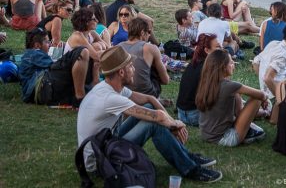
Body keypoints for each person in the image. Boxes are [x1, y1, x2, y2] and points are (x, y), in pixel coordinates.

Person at [77, 45, 222, 183]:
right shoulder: (110, 98)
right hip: (99, 162)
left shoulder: (111, 86)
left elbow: (149, 99)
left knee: (150, 109)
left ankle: (186, 156)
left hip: (107, 143)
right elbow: (157, 117)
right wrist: (176, 124)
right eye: (131, 66)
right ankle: (190, 169)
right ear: (121, 72)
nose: (134, 69)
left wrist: (170, 121)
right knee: (154, 124)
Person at [196, 49, 267, 146]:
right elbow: (261, 95)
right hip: (224, 138)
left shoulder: (206, 83)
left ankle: (249, 131)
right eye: (231, 62)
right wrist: (264, 100)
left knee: (238, 95)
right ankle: (248, 134)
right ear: (223, 67)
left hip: (206, 134)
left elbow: (238, 112)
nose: (234, 63)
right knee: (256, 99)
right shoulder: (230, 86)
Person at [19, 27, 91, 107]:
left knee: (85, 85)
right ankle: (80, 97)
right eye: (47, 42)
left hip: (43, 91)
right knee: (80, 52)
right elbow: (53, 66)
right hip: (41, 86)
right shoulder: (33, 53)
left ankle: (81, 95)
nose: (50, 44)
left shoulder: (29, 55)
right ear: (37, 45)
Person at [253, 22, 286, 99]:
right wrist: (279, 97)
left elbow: (255, 61)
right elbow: (268, 78)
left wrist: (262, 80)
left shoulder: (274, 43)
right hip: (276, 90)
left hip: (272, 86)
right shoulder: (282, 56)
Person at [176, 34, 220, 126]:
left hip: (181, 114)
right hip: (194, 116)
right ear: (207, 50)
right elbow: (216, 96)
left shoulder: (193, 64)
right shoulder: (209, 68)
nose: (222, 49)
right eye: (218, 47)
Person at [120, 17, 169, 97]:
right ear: (142, 33)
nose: (149, 35)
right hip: (147, 94)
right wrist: (164, 67)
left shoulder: (118, 47)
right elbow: (166, 80)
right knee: (155, 68)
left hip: (124, 92)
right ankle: (155, 101)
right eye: (149, 32)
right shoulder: (150, 48)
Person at [64, 8, 107, 74]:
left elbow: (107, 47)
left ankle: (97, 77)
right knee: (97, 46)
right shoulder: (77, 36)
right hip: (70, 69)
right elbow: (96, 56)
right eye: (94, 19)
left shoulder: (92, 33)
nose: (97, 21)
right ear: (87, 22)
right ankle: (95, 80)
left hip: (84, 67)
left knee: (100, 45)